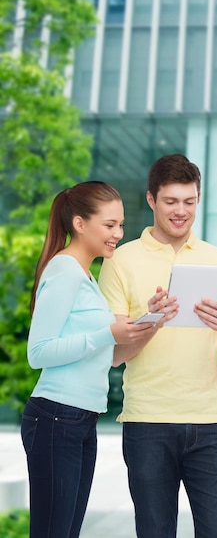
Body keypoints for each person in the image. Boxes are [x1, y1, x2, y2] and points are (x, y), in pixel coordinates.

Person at [98, 155, 217, 538]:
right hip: (147, 422)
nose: (181, 212)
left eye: (189, 201)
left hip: (211, 424)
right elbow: (114, 355)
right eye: (171, 201)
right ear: (151, 200)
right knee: (154, 531)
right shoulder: (120, 261)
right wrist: (151, 322)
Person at [21, 181, 158, 538]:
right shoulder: (64, 270)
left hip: (79, 419)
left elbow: (110, 357)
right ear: (80, 224)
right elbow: (39, 352)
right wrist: (108, 333)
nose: (118, 234)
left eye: (121, 225)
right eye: (109, 225)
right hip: (55, 417)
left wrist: (151, 320)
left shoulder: (86, 276)